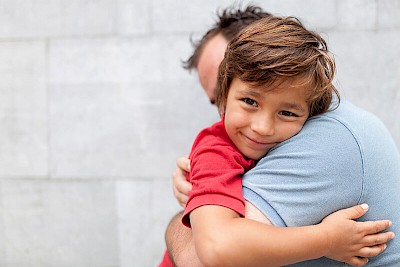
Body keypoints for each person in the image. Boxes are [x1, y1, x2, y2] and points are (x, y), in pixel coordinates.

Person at [162, 6, 400, 267]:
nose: (263, 127)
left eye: (287, 112)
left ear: (313, 107)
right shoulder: (216, 153)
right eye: (249, 100)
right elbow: (217, 249)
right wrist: (326, 239)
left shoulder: (331, 137)